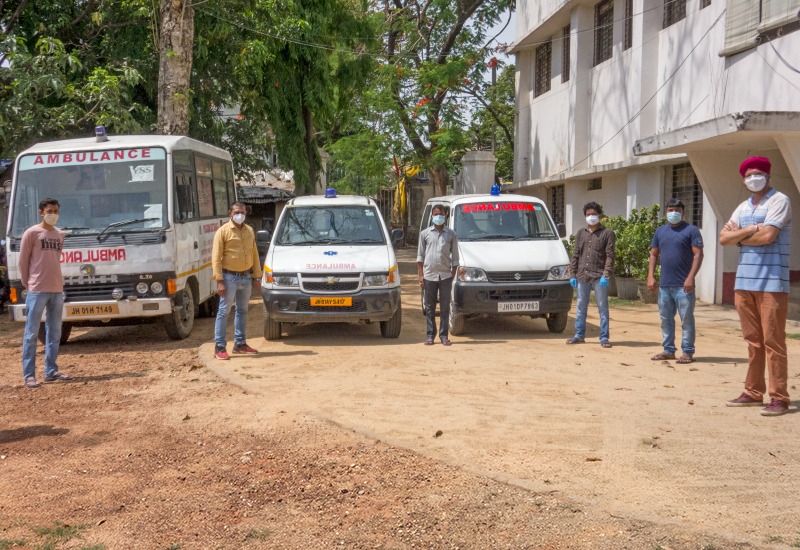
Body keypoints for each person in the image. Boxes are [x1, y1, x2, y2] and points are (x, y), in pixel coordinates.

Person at [720, 156, 792, 416]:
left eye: (758, 173)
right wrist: (749, 231)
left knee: (774, 342)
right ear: (743, 179)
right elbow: (723, 238)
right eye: (749, 175)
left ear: (768, 176)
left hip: (772, 282)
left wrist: (740, 236)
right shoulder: (742, 207)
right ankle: (753, 391)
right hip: (744, 282)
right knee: (753, 342)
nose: (753, 178)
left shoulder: (780, 201)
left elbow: (769, 235)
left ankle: (779, 397)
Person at [19, 198, 73, 388]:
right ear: (41, 212)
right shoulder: (31, 233)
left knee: (55, 332)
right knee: (31, 333)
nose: (53, 214)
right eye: (50, 211)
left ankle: (51, 371)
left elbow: (55, 260)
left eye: (56, 211)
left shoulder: (59, 235)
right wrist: (28, 284)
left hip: (57, 290)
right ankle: (29, 375)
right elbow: (23, 261)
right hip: (37, 290)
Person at [647, 198, 704, 364]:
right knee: (665, 319)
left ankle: (687, 352)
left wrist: (691, 277)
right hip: (665, 285)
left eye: (677, 210)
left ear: (683, 212)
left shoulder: (691, 231)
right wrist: (650, 276)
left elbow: (698, 254)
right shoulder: (660, 232)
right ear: (666, 212)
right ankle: (668, 350)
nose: (674, 213)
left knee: (686, 319)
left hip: (683, 286)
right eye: (670, 210)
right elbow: (653, 254)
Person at [212, 202, 263, 360]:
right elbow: (216, 257)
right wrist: (219, 280)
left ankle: (240, 344)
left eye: (242, 212)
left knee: (242, 311)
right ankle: (219, 346)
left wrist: (257, 275)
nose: (240, 215)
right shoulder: (223, 232)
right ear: (230, 213)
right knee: (224, 311)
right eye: (237, 212)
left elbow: (254, 253)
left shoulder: (249, 231)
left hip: (246, 277)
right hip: (229, 278)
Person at [566, 202, 615, 348]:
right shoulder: (581, 233)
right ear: (585, 216)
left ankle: (604, 337)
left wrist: (606, 274)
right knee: (581, 305)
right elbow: (575, 255)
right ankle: (579, 334)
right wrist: (572, 274)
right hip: (582, 276)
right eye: (588, 215)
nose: (591, 217)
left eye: (594, 214)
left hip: (599, 277)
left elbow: (610, 256)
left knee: (602, 306)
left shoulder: (607, 233)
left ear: (600, 215)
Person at [417, 204, 459, 346]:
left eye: (440, 214)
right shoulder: (425, 234)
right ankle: (430, 335)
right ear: (432, 216)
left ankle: (444, 336)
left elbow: (455, 258)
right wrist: (420, 275)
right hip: (429, 275)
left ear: (445, 216)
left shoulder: (451, 234)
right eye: (435, 214)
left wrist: (453, 274)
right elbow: (420, 257)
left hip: (445, 275)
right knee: (429, 307)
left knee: (445, 307)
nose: (438, 217)